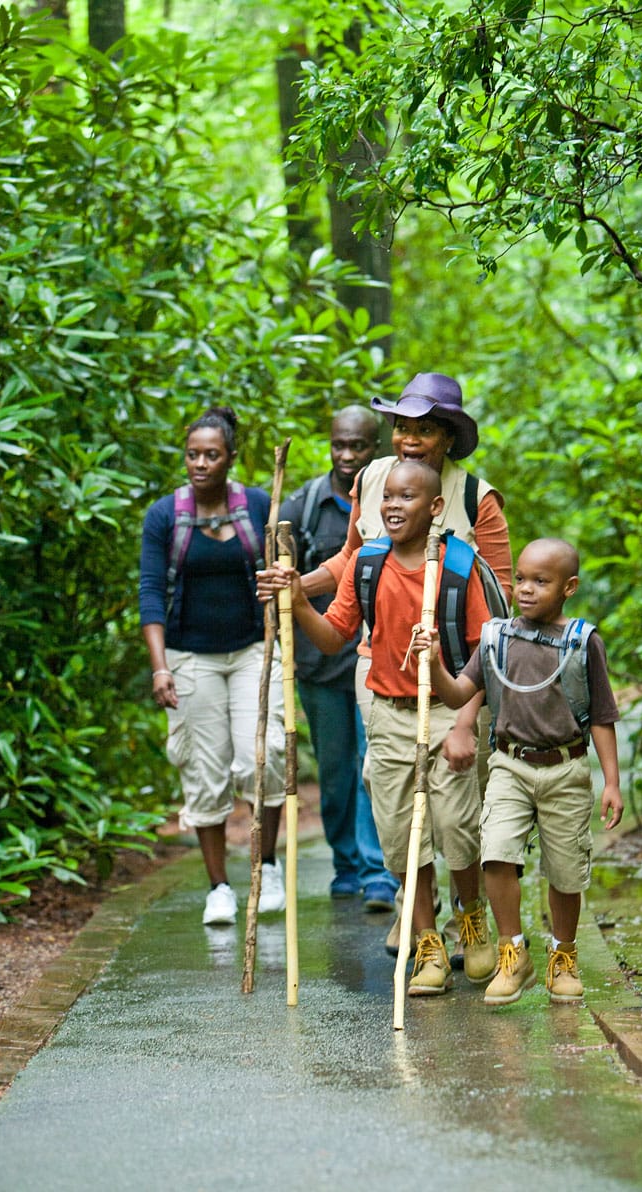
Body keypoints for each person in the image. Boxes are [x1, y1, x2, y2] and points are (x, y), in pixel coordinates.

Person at [264, 460, 498, 997]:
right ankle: (427, 942)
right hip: (389, 713)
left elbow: (485, 653)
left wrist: (464, 725)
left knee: (458, 829)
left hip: (444, 709)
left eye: (408, 498)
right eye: (388, 497)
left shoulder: (459, 566)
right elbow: (332, 638)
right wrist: (299, 601)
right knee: (400, 837)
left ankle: (471, 921)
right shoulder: (367, 564)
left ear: (435, 508)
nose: (393, 506)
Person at [413, 537, 623, 1005]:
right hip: (509, 763)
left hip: (565, 769)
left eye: (541, 582)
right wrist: (433, 663)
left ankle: (563, 956)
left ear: (569, 587)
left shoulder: (583, 643)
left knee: (566, 873)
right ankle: (513, 951)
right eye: (521, 579)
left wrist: (611, 782)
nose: (526, 590)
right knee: (497, 853)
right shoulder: (495, 637)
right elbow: (457, 693)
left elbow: (603, 717)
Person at [139, 406, 287, 927]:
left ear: (230, 459)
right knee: (204, 772)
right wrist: (160, 668)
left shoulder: (258, 507)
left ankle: (266, 868)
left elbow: (285, 573)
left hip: (252, 651)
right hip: (188, 658)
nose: (200, 464)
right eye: (193, 455)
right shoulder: (165, 516)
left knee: (263, 755)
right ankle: (219, 887)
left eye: (211, 455)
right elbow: (151, 593)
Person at [280, 406, 399, 909]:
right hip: (318, 661)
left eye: (360, 446)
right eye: (340, 445)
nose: (348, 455)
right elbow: (284, 578)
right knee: (334, 772)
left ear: (377, 448)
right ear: (329, 443)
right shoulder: (302, 505)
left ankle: (377, 872)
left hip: (373, 658)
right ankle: (345, 864)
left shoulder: (390, 498)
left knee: (371, 764)